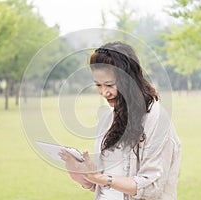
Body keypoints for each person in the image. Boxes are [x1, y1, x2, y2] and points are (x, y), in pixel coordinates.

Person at [59, 41, 181, 200]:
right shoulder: (107, 119)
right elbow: (104, 184)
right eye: (98, 85)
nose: (104, 92)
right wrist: (84, 175)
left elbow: (152, 187)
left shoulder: (156, 120)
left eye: (109, 85)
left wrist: (101, 179)